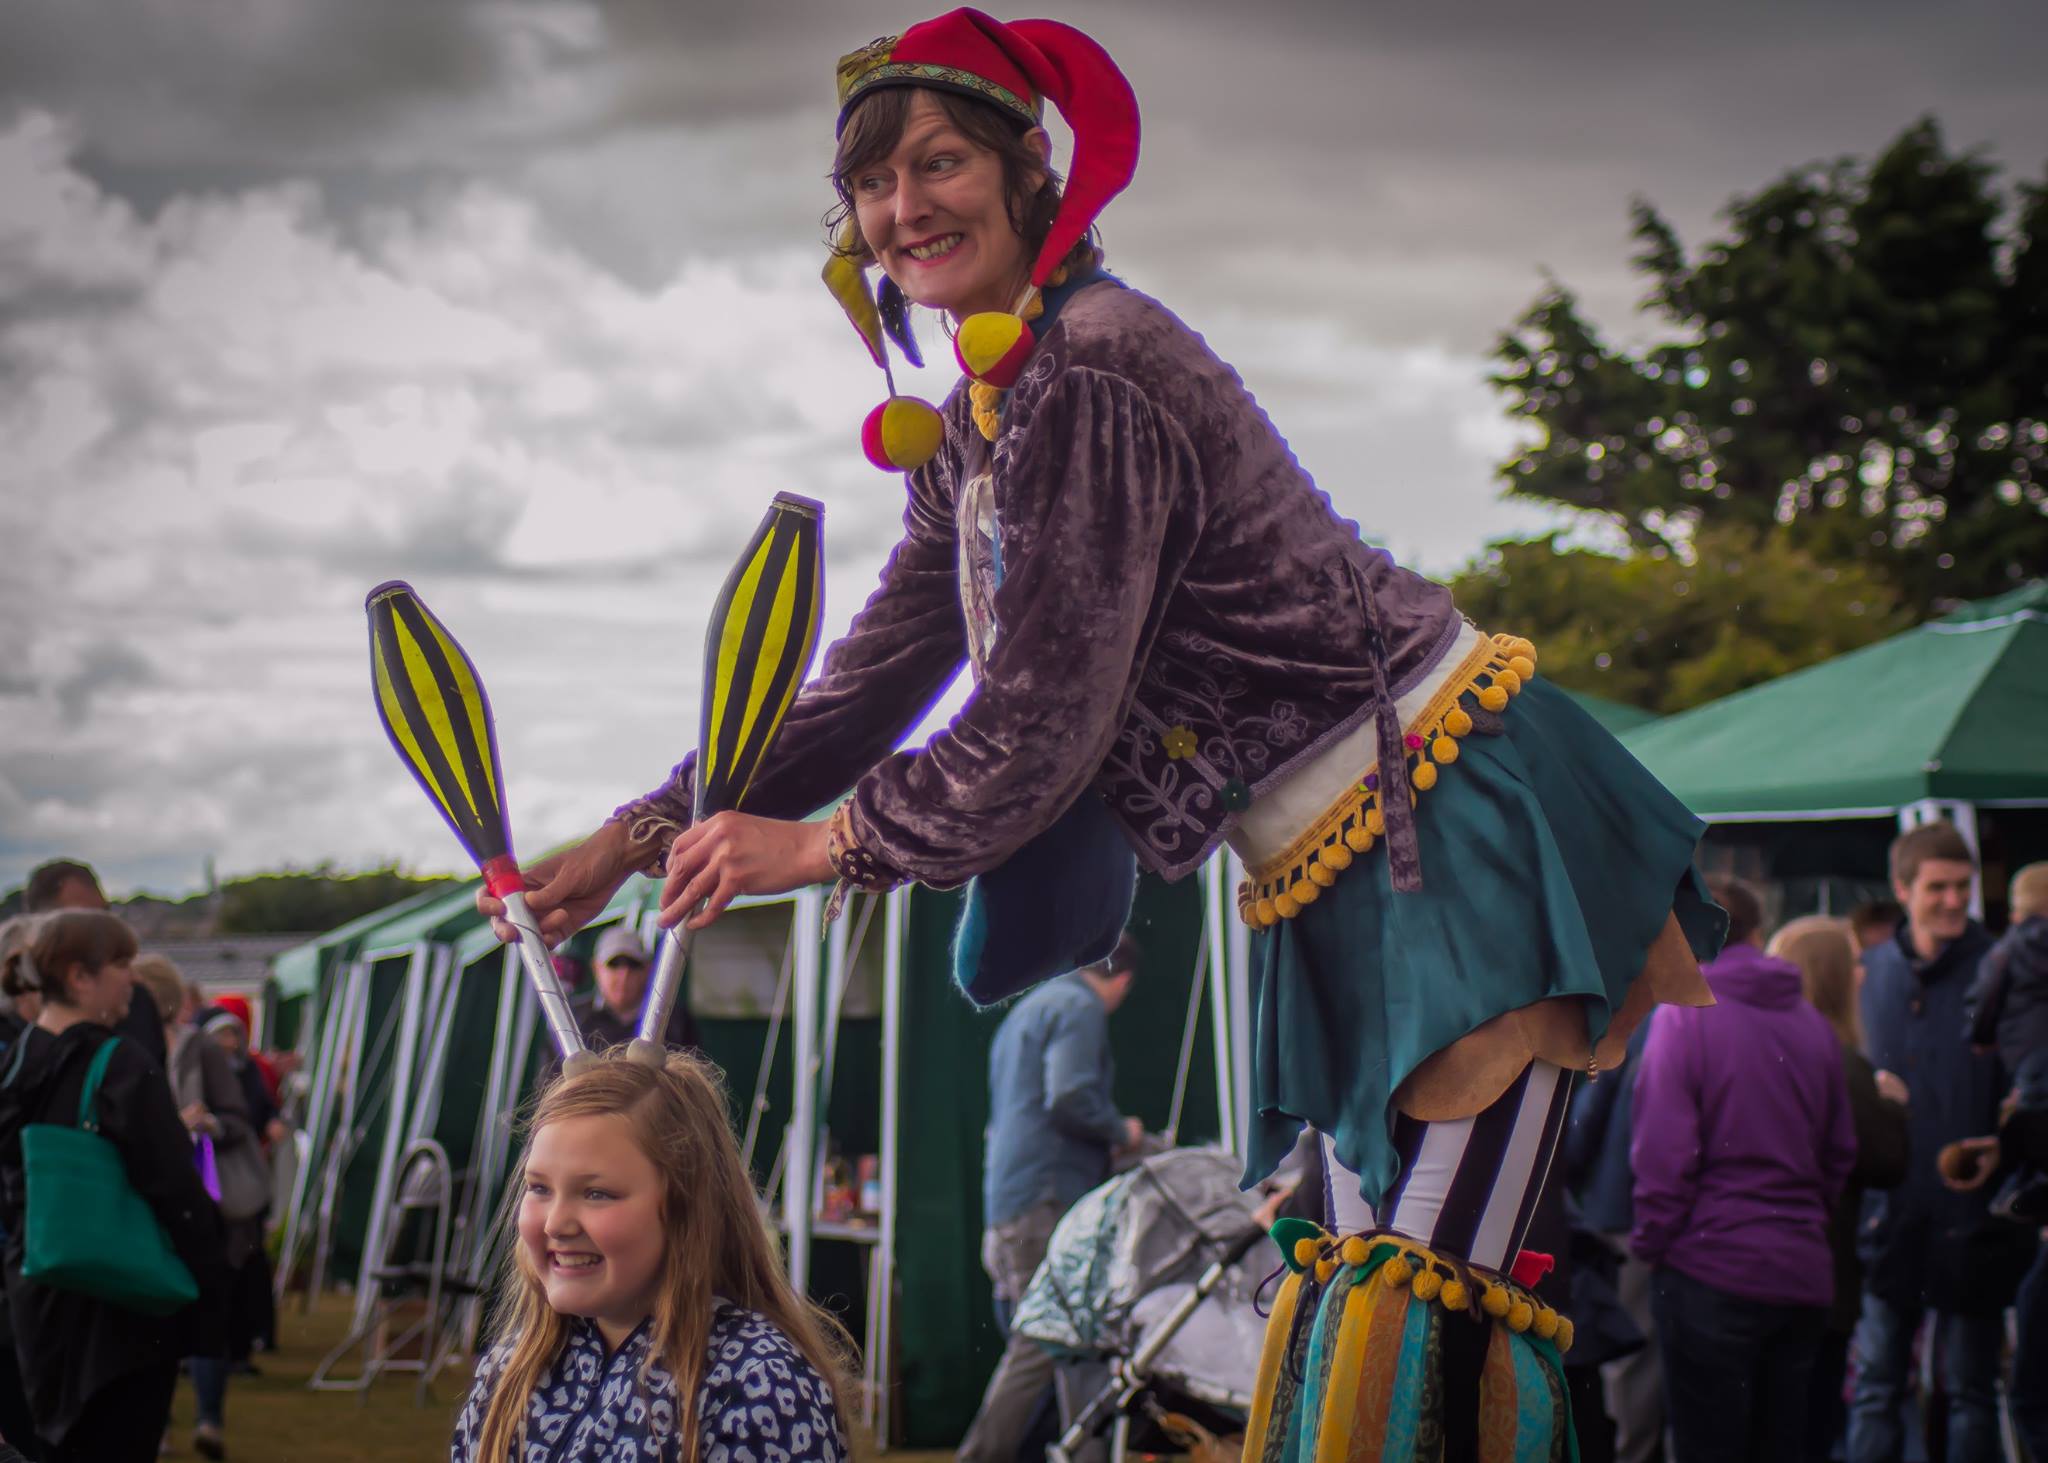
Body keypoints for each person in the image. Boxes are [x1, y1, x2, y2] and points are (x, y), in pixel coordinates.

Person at [477, 11, 1724, 1448]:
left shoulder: (1099, 364)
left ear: (1027, 178)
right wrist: (637, 835)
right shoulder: (984, 422)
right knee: (1351, 1293)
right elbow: (868, 680)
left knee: (1426, 1312)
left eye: (938, 163)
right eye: (874, 187)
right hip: (1345, 868)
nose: (904, 207)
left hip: (1461, 830)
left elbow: (1044, 715)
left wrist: (827, 843)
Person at [449, 1050, 853, 1461]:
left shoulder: (755, 1381)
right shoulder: (510, 1373)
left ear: (684, 1209)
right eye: (539, 1188)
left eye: (597, 1193)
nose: (555, 1223)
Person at [1628, 879, 1856, 1461]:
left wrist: (1652, 1245)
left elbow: (1664, 1159)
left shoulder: (1686, 1018)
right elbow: (1838, 1153)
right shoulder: (1812, 1024)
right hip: (1799, 1272)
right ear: (1758, 933)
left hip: (1711, 1270)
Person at [0, 912, 224, 1463]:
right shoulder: (120, 1064)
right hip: (120, 1313)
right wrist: (211, 1277)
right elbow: (174, 1188)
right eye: (122, 965)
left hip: (33, 1303)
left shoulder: (18, 1061)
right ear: (80, 977)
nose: (132, 978)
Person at [1850, 822, 2036, 1463]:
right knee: (1876, 1388)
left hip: (1977, 1223)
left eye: (1963, 886)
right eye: (1938, 888)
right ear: (1903, 889)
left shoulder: (2009, 969)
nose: (1955, 900)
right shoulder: (1867, 975)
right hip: (1887, 1222)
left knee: (1969, 1391)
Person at [958, 932, 1142, 1463]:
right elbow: (1071, 1096)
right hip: (1048, 1200)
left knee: (1046, 1340)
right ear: (1122, 981)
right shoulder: (1080, 1007)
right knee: (1045, 1342)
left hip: (1010, 1200)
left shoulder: (1031, 1009)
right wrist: (1122, 1132)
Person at [1767, 915, 1909, 1463]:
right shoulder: (1839, 1061)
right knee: (1812, 1423)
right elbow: (1885, 1160)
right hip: (1819, 1268)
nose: (1863, 974)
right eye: (1851, 963)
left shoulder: (1776, 1051)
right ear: (1830, 976)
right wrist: (1893, 1107)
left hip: (1760, 1269)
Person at [1562, 1017, 1662, 1463]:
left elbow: (1580, 1134)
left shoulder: (1637, 1027)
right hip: (1693, 1227)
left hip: (1629, 1216)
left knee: (1631, 1372)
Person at [21, 860, 166, 1068]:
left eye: (105, 914)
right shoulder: (15, 1017)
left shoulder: (133, 1000)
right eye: (84, 919)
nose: (103, 928)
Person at [566, 926, 701, 1056]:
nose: (624, 975)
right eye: (614, 964)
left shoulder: (673, 1020)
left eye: (633, 964)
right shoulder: (573, 1019)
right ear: (596, 968)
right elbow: (552, 1075)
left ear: (648, 969)